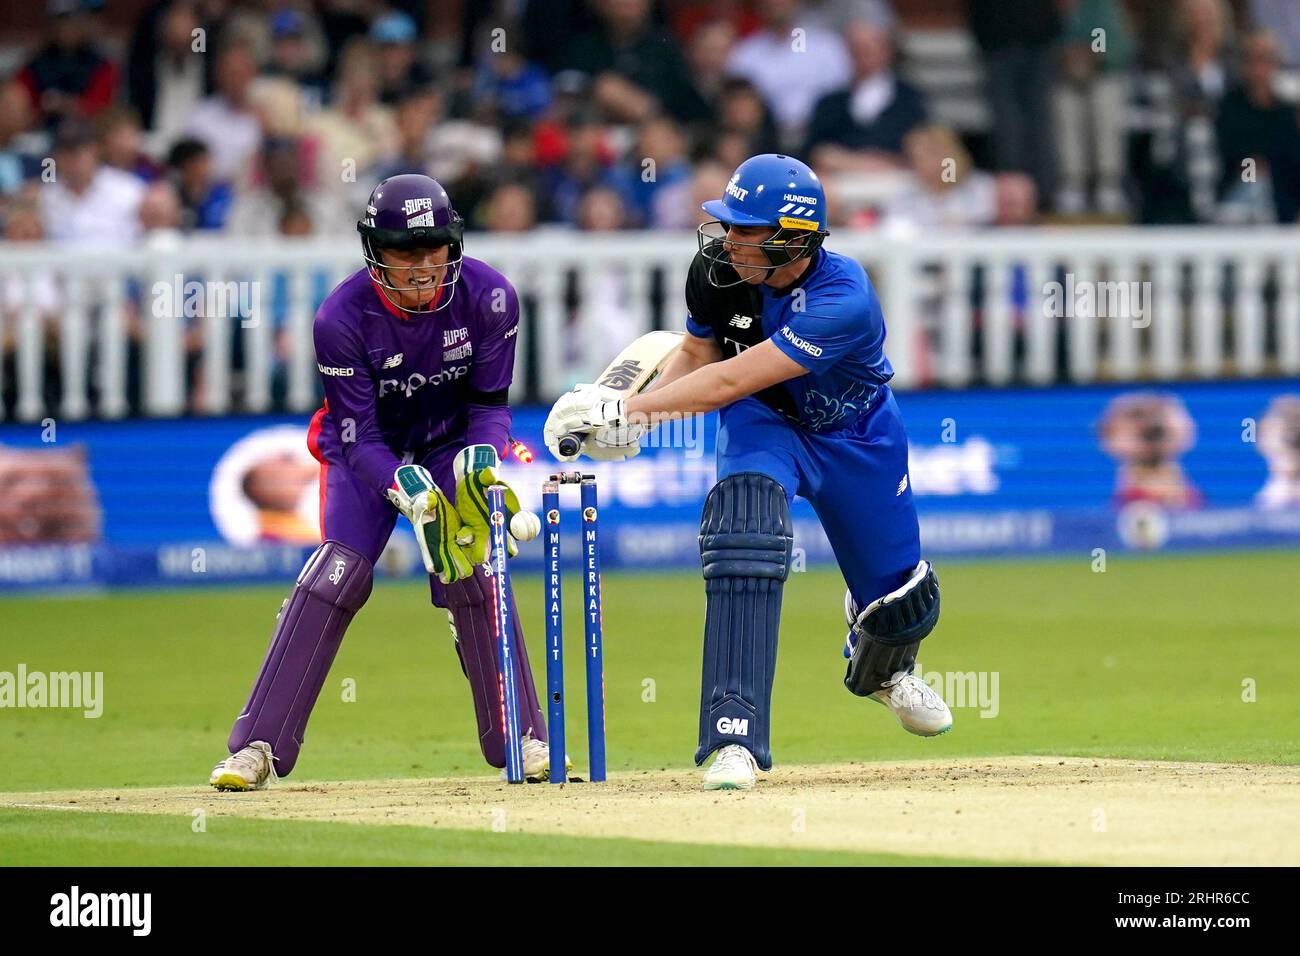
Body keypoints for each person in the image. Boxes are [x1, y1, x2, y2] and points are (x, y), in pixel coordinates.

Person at [544, 154, 952, 791]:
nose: (728, 239)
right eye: (726, 225)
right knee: (745, 533)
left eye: (746, 229)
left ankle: (884, 671)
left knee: (902, 603)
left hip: (857, 435)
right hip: (764, 424)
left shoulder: (842, 297)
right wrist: (635, 423)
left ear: (792, 235)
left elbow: (735, 374)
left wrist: (629, 405)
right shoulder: (716, 270)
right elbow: (700, 354)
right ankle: (733, 735)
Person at [209, 173, 553, 791]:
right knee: (336, 574)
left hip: (451, 445)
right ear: (375, 251)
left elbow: (490, 405)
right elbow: (358, 437)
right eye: (404, 252)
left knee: (472, 567)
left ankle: (524, 737)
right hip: (367, 456)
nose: (423, 268)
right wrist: (403, 487)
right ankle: (257, 746)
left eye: (434, 250)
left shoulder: (492, 297)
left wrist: (481, 464)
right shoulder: (340, 316)